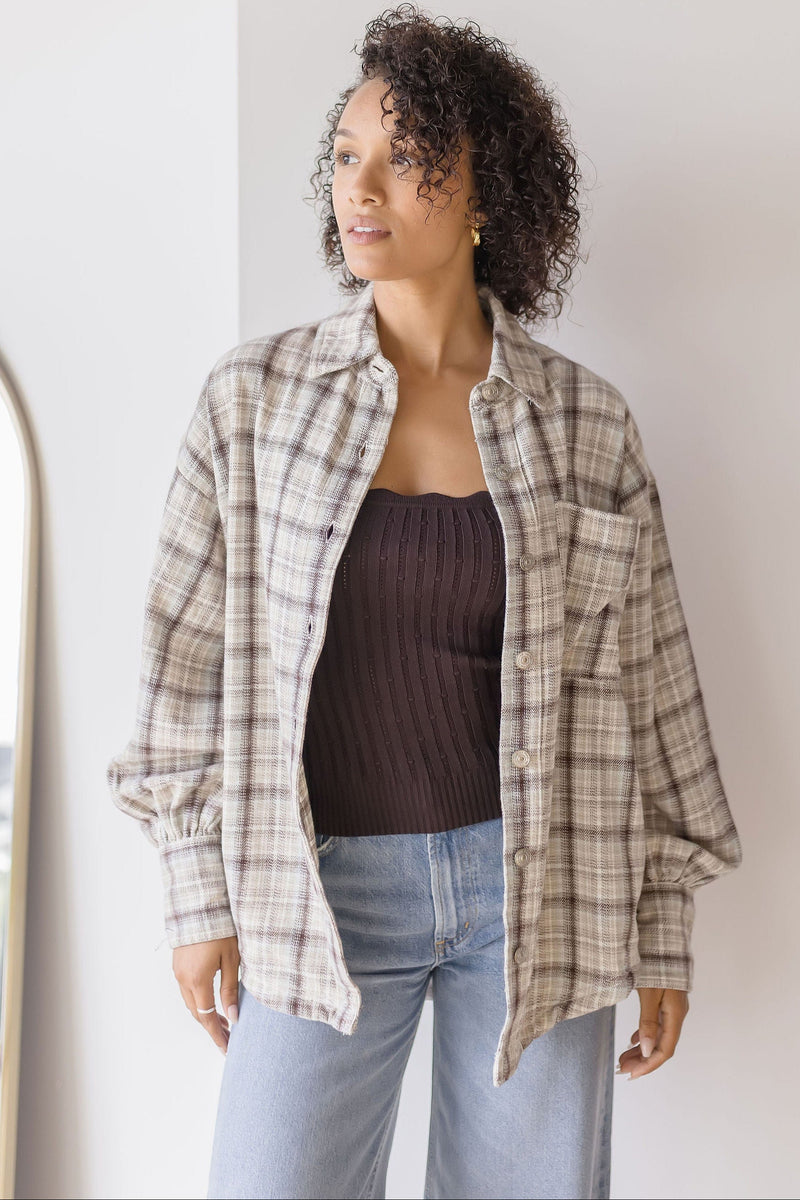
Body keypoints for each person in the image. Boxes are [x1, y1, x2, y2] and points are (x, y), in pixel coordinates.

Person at [105, 6, 743, 1198]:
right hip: (315, 889)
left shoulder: (584, 424)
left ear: (483, 189)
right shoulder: (254, 401)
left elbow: (650, 689)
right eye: (346, 154)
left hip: (537, 892)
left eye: (403, 159)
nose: (360, 187)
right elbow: (179, 665)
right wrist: (196, 894)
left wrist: (662, 928)